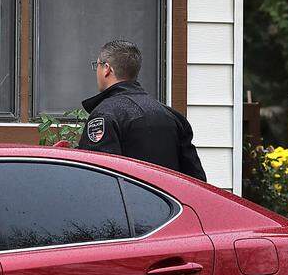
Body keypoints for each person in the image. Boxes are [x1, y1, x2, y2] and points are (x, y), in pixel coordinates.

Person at [78, 40, 207, 182]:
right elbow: (197, 180)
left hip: (125, 204)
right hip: (169, 203)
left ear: (107, 69)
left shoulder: (104, 116)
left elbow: (97, 178)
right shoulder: (173, 116)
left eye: (97, 65)